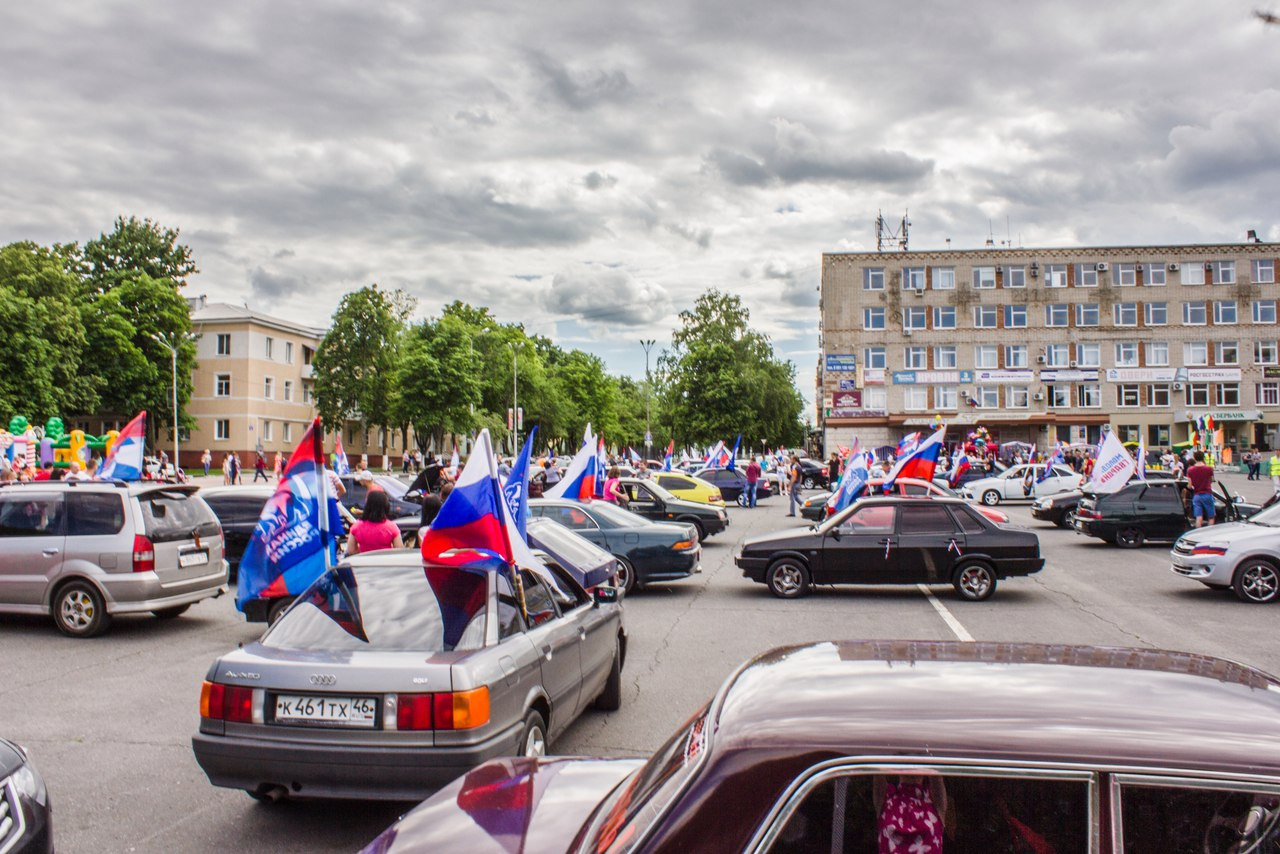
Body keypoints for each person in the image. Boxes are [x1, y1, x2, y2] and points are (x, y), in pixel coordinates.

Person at [874, 775, 946, 854]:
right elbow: (877, 769)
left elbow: (936, 775)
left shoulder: (933, 802)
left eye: (918, 763)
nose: (913, 766)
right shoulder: (887, 800)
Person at [345, 490, 403, 556]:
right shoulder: (392, 527)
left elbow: (351, 550)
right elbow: (399, 550)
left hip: (364, 563)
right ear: (386, 506)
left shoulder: (357, 526)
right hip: (385, 563)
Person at [1185, 451, 1216, 528]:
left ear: (1194, 458)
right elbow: (1212, 480)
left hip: (1197, 496)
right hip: (1207, 494)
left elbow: (1189, 486)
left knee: (1199, 517)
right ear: (1203, 458)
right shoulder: (1209, 469)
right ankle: (1209, 532)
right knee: (1211, 517)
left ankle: (1198, 533)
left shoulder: (1190, 470)